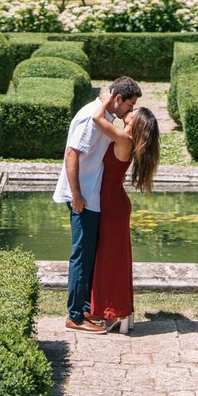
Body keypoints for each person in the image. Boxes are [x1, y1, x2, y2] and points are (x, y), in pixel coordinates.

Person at [53, 76, 141, 334]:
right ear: (117, 99)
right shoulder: (91, 117)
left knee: (89, 256)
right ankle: (75, 317)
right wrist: (76, 195)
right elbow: (72, 155)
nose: (131, 110)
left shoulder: (106, 118)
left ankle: (87, 309)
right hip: (84, 198)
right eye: (129, 105)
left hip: (94, 198)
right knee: (81, 256)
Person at [86, 101, 161, 333]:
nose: (128, 112)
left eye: (133, 113)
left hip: (112, 205)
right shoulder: (124, 139)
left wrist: (108, 99)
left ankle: (113, 313)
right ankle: (116, 310)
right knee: (111, 258)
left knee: (110, 259)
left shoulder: (124, 140)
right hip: (112, 202)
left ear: (135, 123)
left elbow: (97, 119)